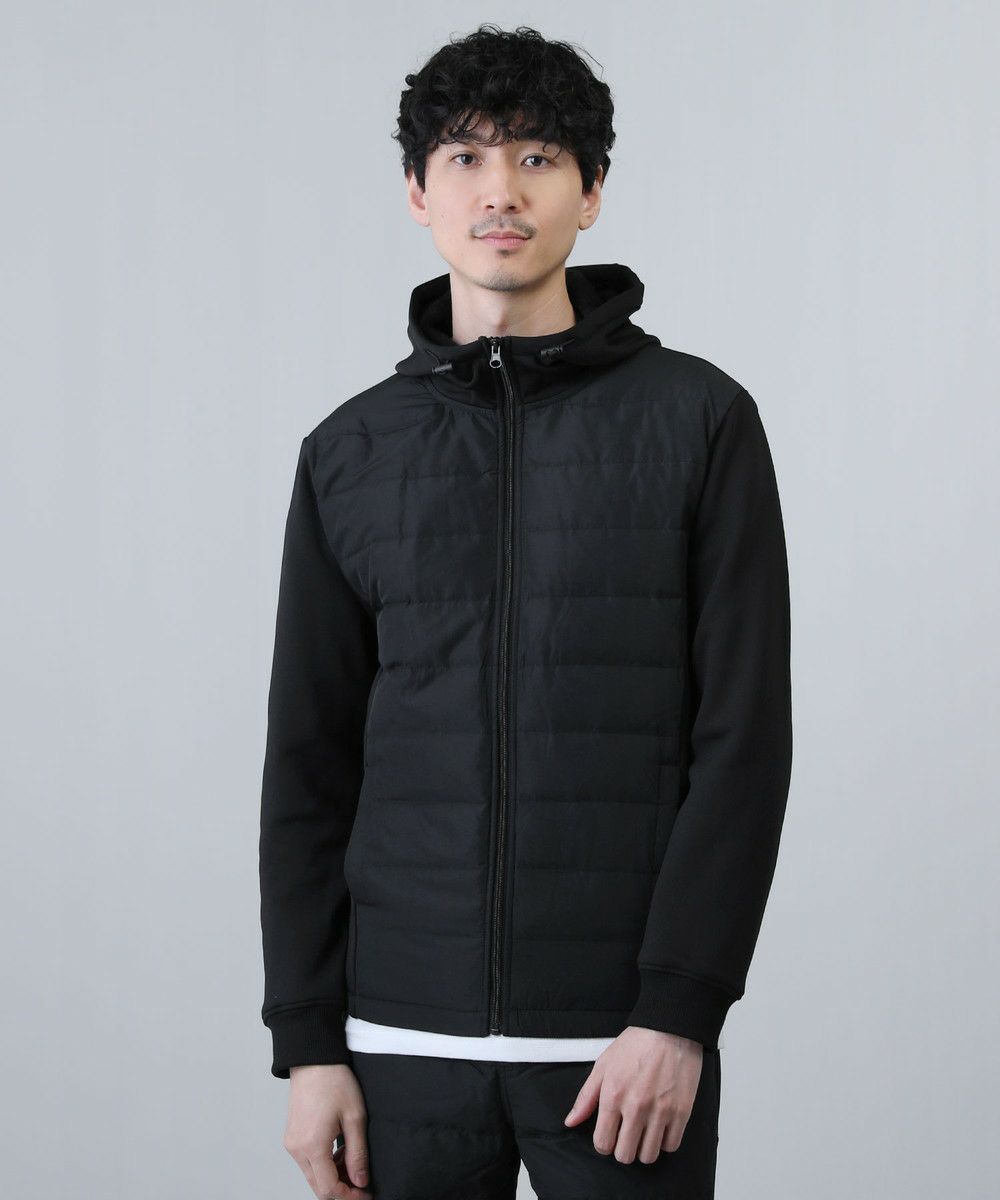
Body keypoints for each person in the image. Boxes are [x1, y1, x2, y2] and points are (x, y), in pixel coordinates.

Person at [259, 22, 793, 1200]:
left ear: (590, 193)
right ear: (417, 192)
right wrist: (308, 1042)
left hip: (618, 1048)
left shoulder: (699, 421)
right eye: (464, 157)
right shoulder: (349, 451)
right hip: (396, 1047)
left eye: (538, 157)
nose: (500, 190)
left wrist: (677, 1013)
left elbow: (743, 743)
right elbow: (307, 762)